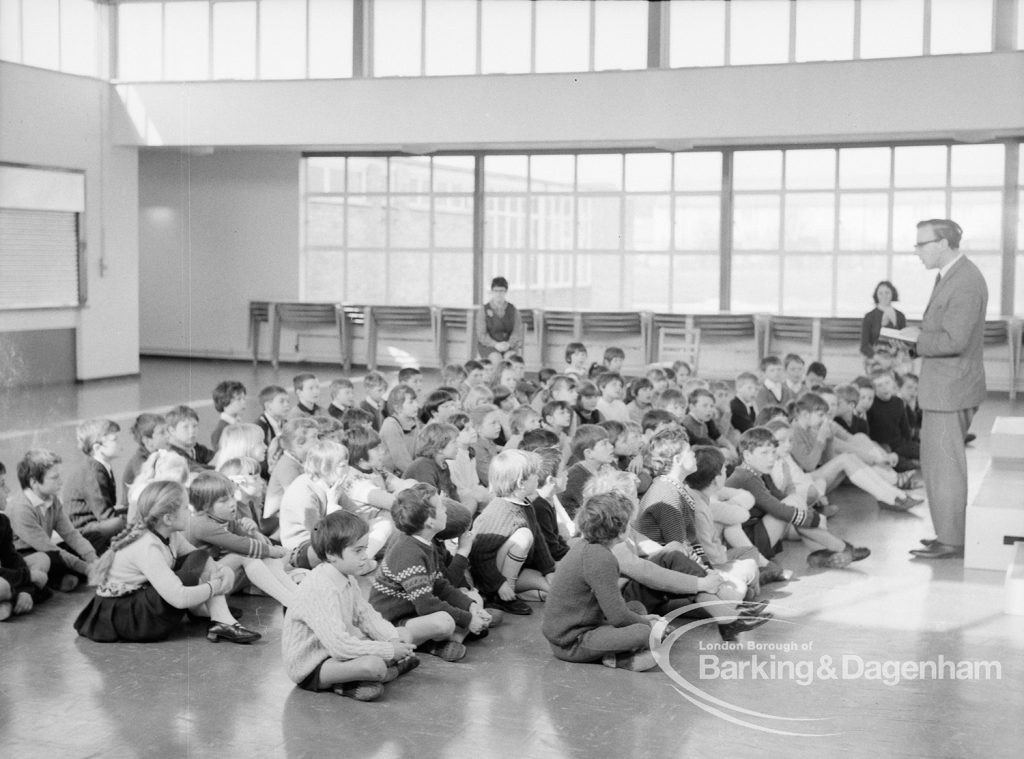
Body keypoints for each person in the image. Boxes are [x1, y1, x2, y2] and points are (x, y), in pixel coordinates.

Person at [895, 219, 987, 560]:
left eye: (921, 244)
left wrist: (917, 339)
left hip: (952, 390)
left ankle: (953, 540)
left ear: (944, 243)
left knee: (946, 467)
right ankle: (948, 533)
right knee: (936, 465)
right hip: (945, 387)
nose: (916, 251)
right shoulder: (950, 276)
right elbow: (947, 329)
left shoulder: (964, 281)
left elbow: (954, 340)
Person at [73, 480, 259, 644]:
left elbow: (200, 558)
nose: (191, 512)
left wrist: (221, 570)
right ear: (168, 518)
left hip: (140, 601)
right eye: (186, 508)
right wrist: (215, 586)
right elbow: (179, 598)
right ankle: (220, 620)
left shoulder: (172, 535)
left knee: (198, 557)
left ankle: (222, 620)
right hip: (131, 617)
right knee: (195, 562)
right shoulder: (147, 546)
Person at [281, 510, 420, 702]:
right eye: (358, 551)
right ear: (331, 554)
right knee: (375, 665)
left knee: (402, 634)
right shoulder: (320, 587)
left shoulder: (346, 577)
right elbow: (340, 646)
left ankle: (360, 681)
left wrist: (392, 638)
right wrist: (388, 650)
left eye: (365, 548)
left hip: (335, 653)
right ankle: (378, 675)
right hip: (313, 664)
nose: (365, 556)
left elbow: (366, 617)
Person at [369, 484, 493, 663]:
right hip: (392, 622)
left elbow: (440, 585)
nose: (445, 511)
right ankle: (435, 643)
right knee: (444, 622)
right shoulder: (408, 552)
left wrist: (470, 607)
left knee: (475, 598)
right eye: (441, 507)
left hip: (414, 613)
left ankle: (448, 641)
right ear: (430, 521)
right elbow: (426, 605)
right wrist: (467, 619)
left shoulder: (427, 543)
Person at [541, 491, 663, 672]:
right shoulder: (601, 558)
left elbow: (613, 609)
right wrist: (649, 625)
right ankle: (619, 659)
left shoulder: (586, 547)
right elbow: (618, 616)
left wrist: (641, 618)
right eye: (629, 523)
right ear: (620, 530)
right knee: (644, 633)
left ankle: (619, 653)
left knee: (636, 608)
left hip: (574, 628)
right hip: (572, 642)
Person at [7, 449, 99, 591]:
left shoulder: (52, 498)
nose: (61, 482)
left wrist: (93, 559)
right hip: (26, 556)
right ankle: (57, 579)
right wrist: (87, 568)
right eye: (55, 478)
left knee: (91, 538)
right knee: (51, 558)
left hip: (47, 549)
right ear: (34, 482)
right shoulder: (21, 509)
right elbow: (49, 548)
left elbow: (71, 534)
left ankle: (65, 576)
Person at [63, 419, 127, 553]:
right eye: (115, 439)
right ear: (97, 447)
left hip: (95, 526)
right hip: (84, 533)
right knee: (123, 522)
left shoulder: (101, 467)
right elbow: (106, 516)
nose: (121, 443)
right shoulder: (93, 472)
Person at [476, 276, 524, 362]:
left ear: (506, 291)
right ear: (492, 291)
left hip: (508, 346)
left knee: (511, 359)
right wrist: (495, 344)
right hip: (489, 346)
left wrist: (509, 344)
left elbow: (517, 331)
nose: (498, 294)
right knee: (496, 358)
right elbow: (481, 334)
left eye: (501, 291)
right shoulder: (483, 310)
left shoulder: (513, 310)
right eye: (496, 291)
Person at [861, 280, 906, 360]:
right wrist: (880, 359)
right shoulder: (869, 317)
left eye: (887, 293)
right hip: (875, 360)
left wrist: (898, 358)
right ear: (876, 295)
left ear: (892, 294)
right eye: (880, 293)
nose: (884, 296)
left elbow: (904, 342)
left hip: (897, 359)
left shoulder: (900, 316)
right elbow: (864, 346)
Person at [210, 380, 247, 449]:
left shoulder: (239, 424)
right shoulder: (220, 432)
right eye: (239, 399)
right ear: (224, 401)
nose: (243, 402)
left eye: (244, 398)